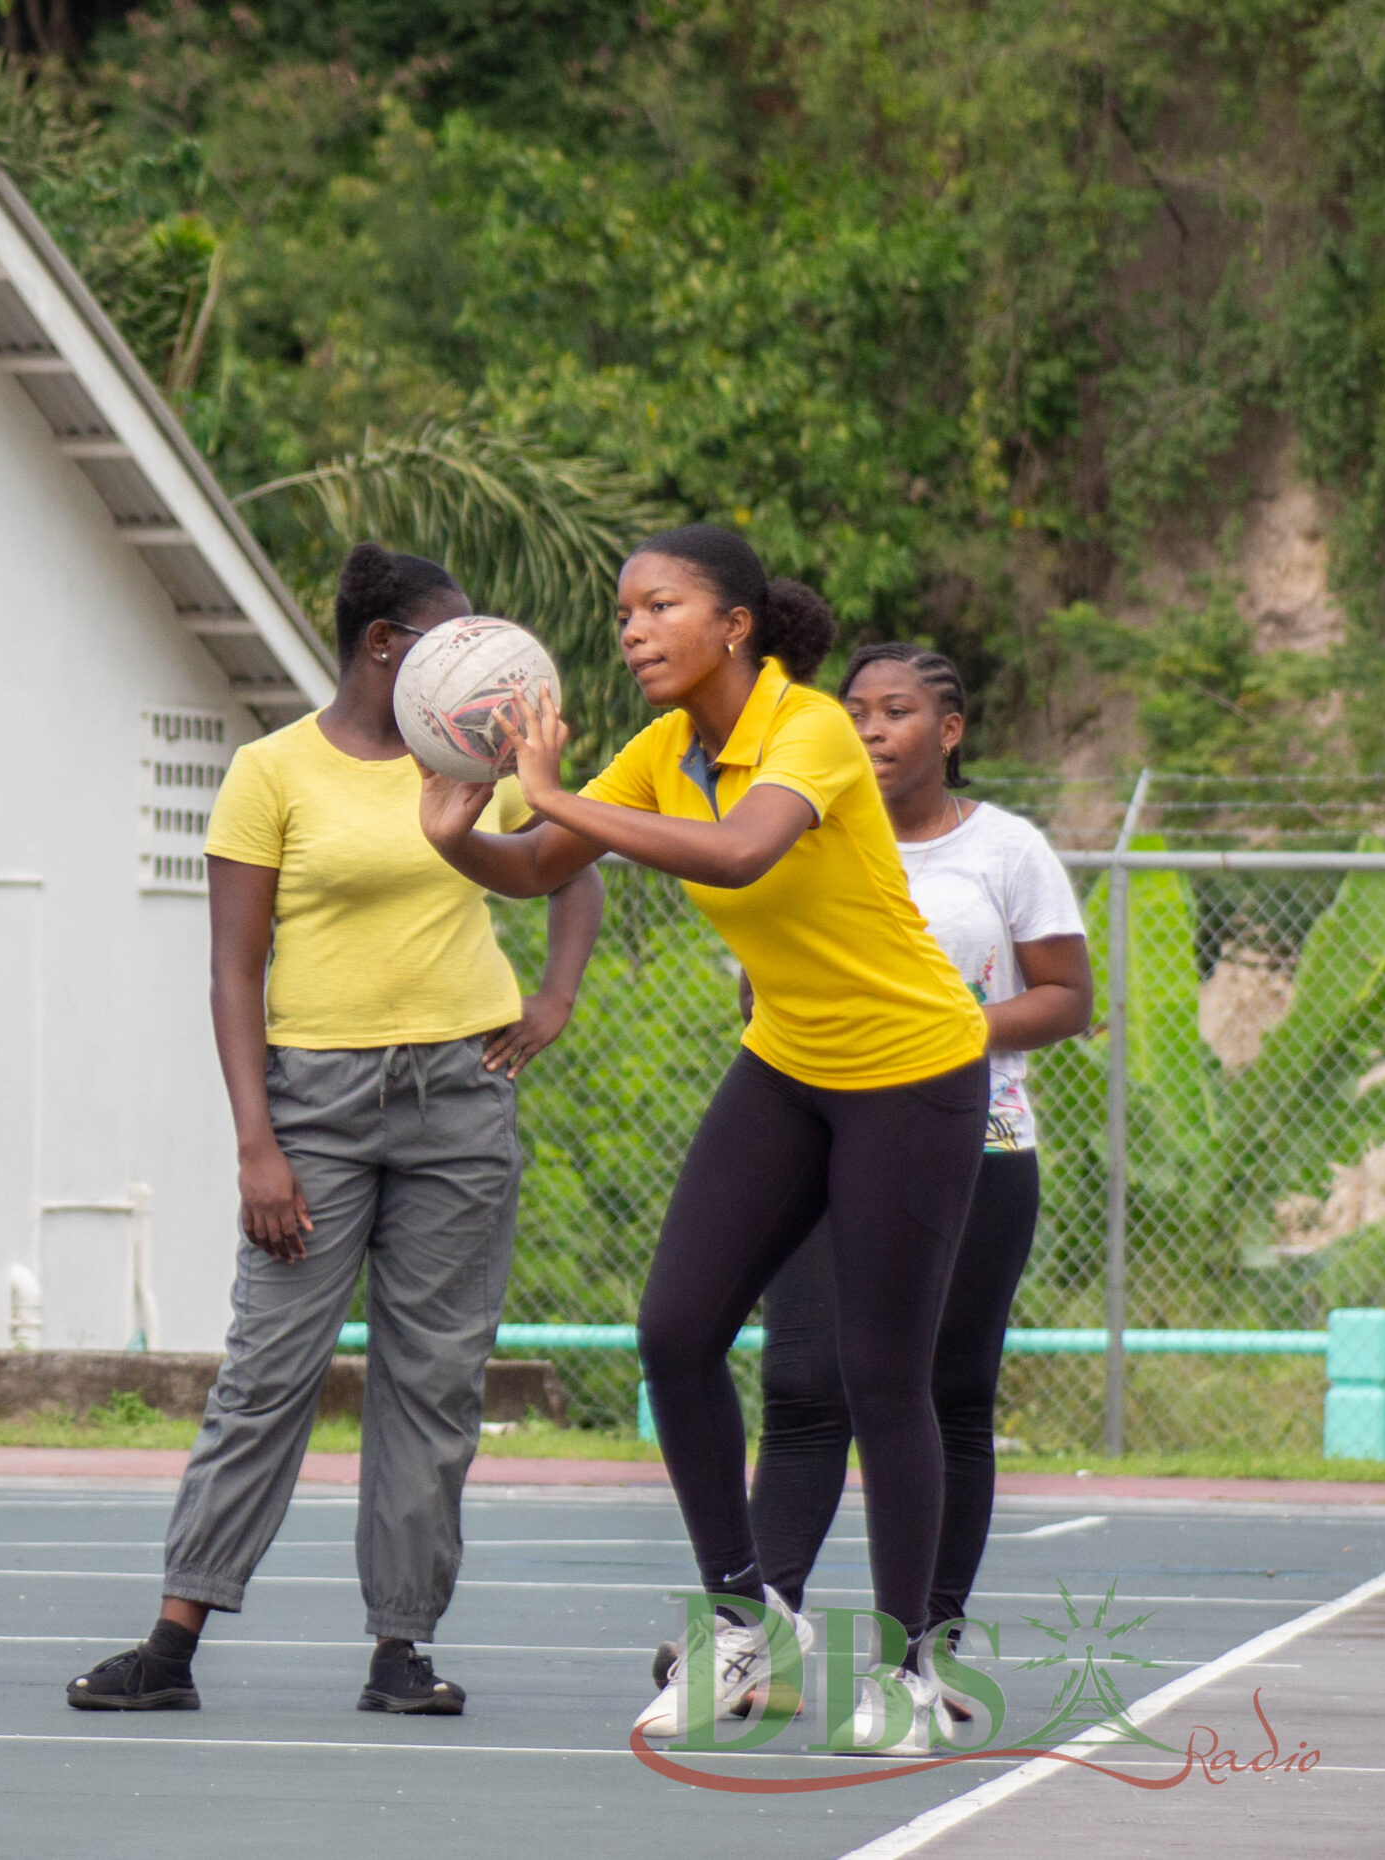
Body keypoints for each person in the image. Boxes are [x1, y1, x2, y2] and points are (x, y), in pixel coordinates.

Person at [418, 524, 990, 1753]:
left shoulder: (810, 729)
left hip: (914, 1070)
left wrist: (563, 797)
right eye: (623, 612)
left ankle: (902, 1670)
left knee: (882, 1378)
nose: (630, 631)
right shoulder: (664, 751)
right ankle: (746, 1622)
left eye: (656, 607)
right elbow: (533, 867)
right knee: (674, 1333)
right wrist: (455, 836)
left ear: (732, 625)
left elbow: (742, 851)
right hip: (788, 1060)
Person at [67, 543, 606, 1716]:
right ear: (381, 647)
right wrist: (256, 1144)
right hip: (313, 1102)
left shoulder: (475, 761)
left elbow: (570, 861)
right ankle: (170, 1644)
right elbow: (230, 967)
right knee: (268, 1372)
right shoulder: (271, 772)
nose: (477, 665)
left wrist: (554, 995)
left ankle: (401, 1650)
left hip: (460, 1098)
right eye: (447, 641)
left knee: (436, 1379)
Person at [744, 644, 1090, 1718]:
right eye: (853, 711)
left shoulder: (1008, 850)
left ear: (948, 731)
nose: (871, 729)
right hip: (825, 1141)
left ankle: (921, 1653)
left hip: (974, 1147)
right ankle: (760, 1637)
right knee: (802, 1385)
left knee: (947, 1397)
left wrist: (938, 1034)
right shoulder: (800, 837)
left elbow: (1066, 997)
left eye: (896, 712)